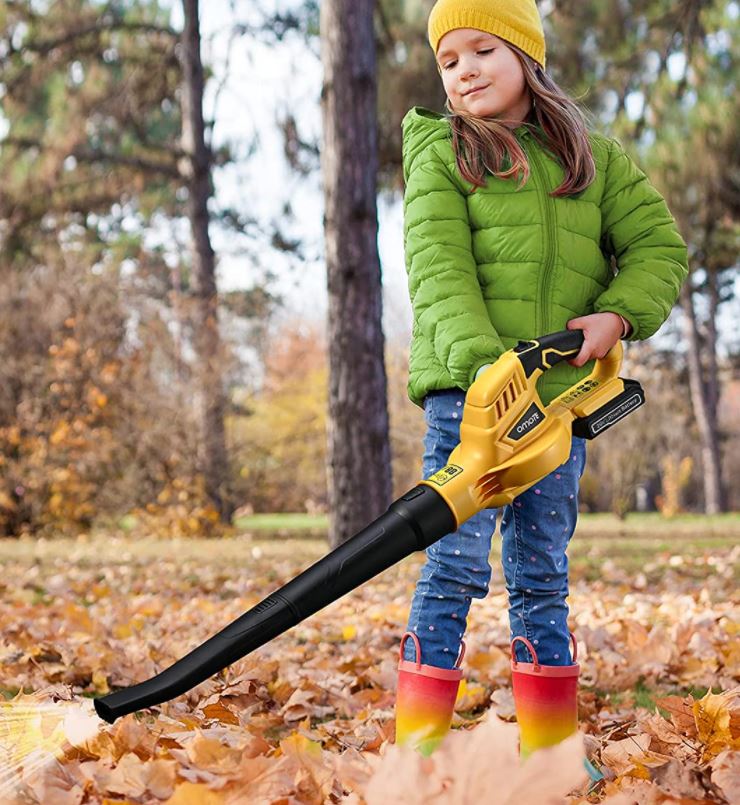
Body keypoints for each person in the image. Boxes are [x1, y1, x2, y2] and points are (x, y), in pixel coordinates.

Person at [394, 0, 688, 762]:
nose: (463, 71)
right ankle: (418, 747)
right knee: (455, 562)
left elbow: (659, 245)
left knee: (540, 568)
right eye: (448, 60)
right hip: (473, 396)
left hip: (557, 402)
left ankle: (550, 748)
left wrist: (619, 316)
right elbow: (439, 271)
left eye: (481, 50)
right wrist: (488, 367)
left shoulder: (595, 156)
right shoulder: (441, 152)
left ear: (526, 53)